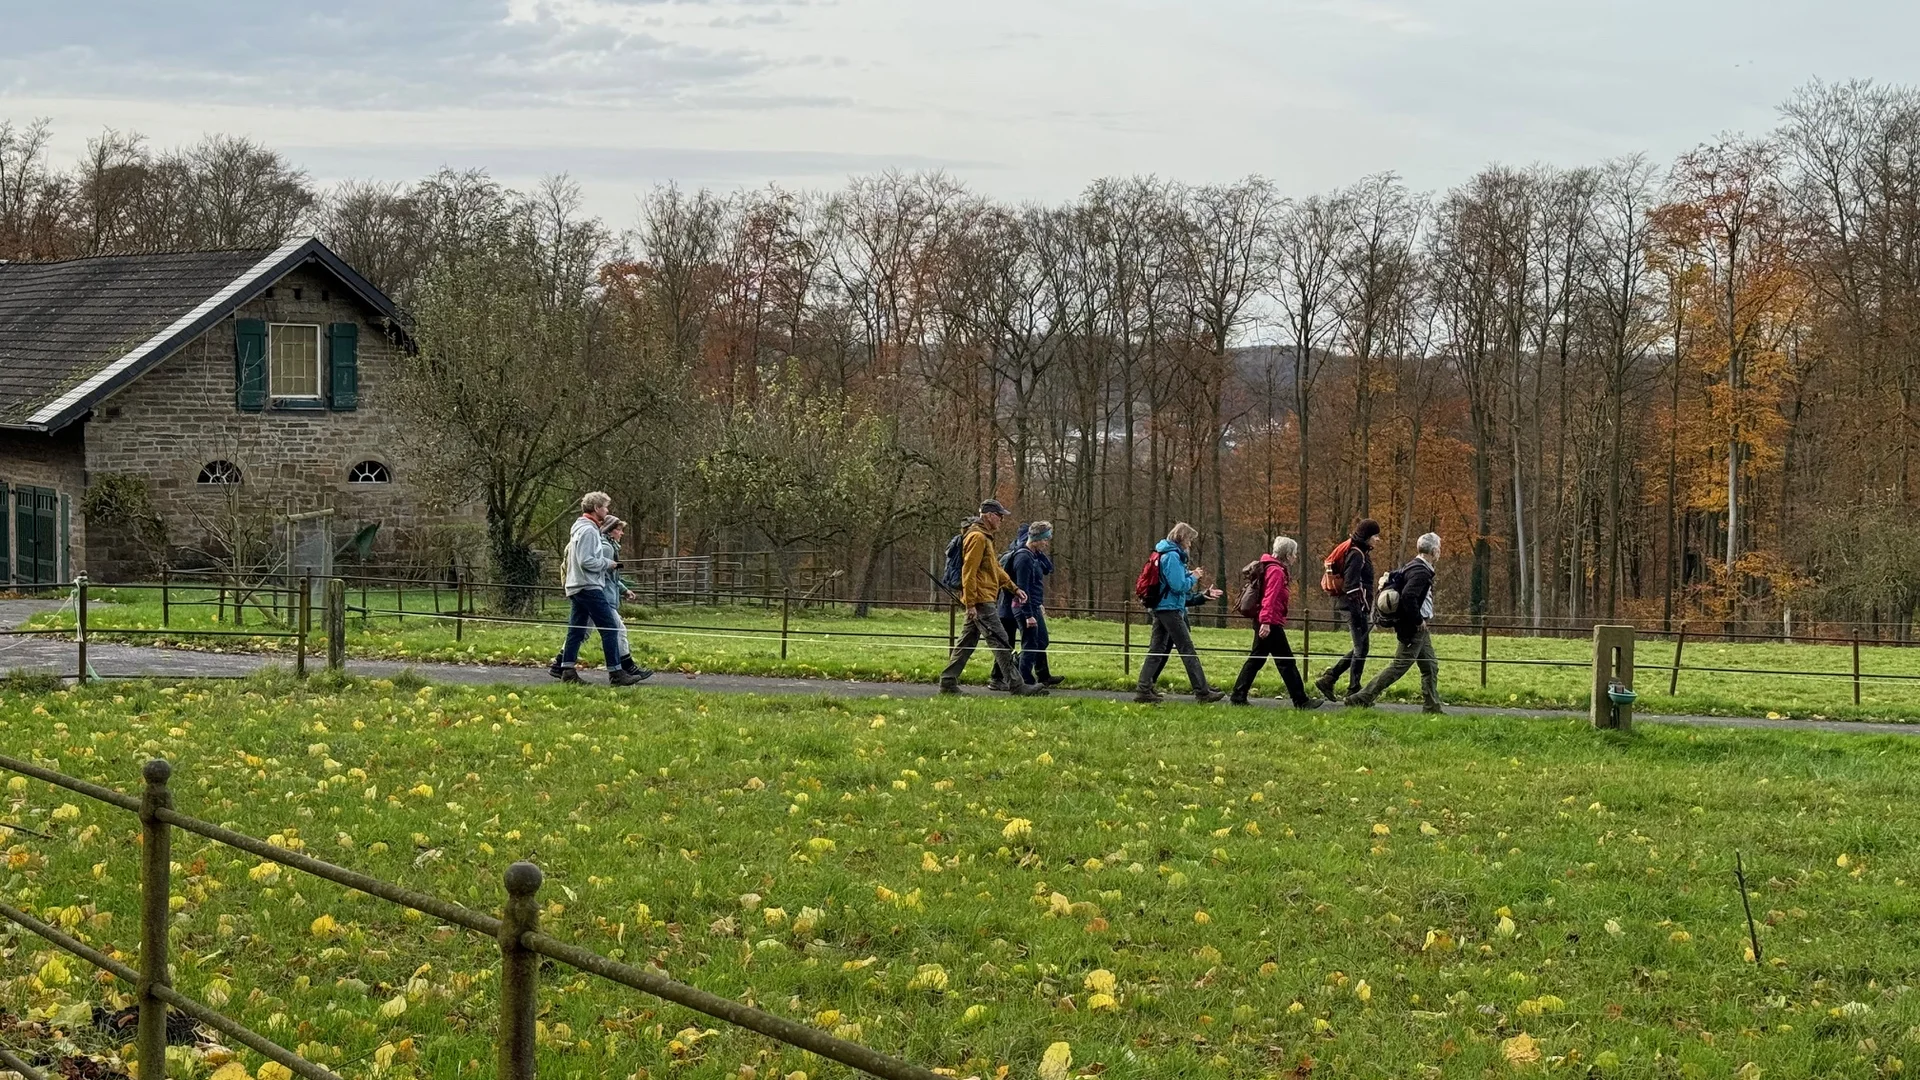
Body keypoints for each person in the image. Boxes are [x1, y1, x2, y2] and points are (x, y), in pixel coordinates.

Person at [939, 501, 1046, 696]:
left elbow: (995, 568)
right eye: (999, 515)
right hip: (980, 599)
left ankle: (948, 681)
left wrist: (1014, 588)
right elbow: (968, 572)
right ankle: (1017, 684)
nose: (1001, 519)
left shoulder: (985, 538)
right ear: (988, 515)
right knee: (1001, 640)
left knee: (967, 641)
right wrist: (970, 603)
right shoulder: (978, 537)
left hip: (981, 597)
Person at [550, 491, 646, 686]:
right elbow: (587, 561)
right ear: (596, 509)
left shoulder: (579, 528)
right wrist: (607, 563)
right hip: (589, 585)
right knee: (610, 627)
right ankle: (616, 673)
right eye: (605, 507)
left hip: (576, 586)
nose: (607, 510)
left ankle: (567, 670)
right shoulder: (589, 531)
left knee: (576, 630)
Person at [1346, 532, 1444, 713]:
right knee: (1398, 666)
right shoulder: (1421, 571)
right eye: (1439, 548)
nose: (1440, 552)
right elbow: (1408, 597)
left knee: (1430, 666)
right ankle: (1362, 697)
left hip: (1418, 629)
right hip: (1414, 628)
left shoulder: (1413, 566)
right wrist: (1418, 620)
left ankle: (1432, 706)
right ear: (1434, 550)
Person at [1134, 522, 1227, 704]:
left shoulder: (1164, 554)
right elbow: (1178, 586)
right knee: (1187, 649)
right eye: (1190, 540)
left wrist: (1198, 590)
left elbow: (1173, 584)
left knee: (1157, 649)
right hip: (1170, 609)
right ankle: (1202, 691)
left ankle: (1143, 689)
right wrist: (1194, 577)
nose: (1190, 544)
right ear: (1182, 538)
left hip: (1162, 607)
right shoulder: (1172, 557)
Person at [1229, 535, 1318, 708]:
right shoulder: (1276, 571)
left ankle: (1238, 695)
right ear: (1287, 554)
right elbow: (1269, 598)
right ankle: (1301, 701)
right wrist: (1267, 622)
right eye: (1294, 553)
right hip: (1270, 622)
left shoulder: (1269, 567)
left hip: (1265, 620)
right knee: (1286, 662)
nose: (1295, 557)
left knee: (1257, 659)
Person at [1314, 518, 1381, 702]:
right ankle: (1353, 690)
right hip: (1353, 607)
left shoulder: (1361, 552)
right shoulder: (1357, 554)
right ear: (1367, 537)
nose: (1378, 539)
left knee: (1361, 647)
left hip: (1355, 606)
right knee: (1361, 648)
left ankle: (1330, 679)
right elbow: (1351, 586)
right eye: (1375, 536)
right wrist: (1359, 611)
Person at [1002, 521, 1061, 687]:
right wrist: (1028, 614)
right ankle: (1024, 681)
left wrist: (1038, 604)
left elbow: (1035, 584)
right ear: (1037, 538)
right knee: (1030, 644)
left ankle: (1020, 670)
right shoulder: (1023, 558)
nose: (1047, 543)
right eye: (1045, 539)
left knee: (1041, 641)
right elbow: (1023, 588)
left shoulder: (1034, 556)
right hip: (1025, 609)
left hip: (1034, 605)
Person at [598, 516, 653, 683]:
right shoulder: (607, 549)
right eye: (619, 529)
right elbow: (607, 577)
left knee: (581, 632)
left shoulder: (610, 547)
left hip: (603, 595)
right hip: (604, 597)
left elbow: (612, 577)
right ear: (611, 530)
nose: (622, 533)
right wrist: (621, 590)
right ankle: (626, 667)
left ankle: (561, 664)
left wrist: (624, 590)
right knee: (619, 630)